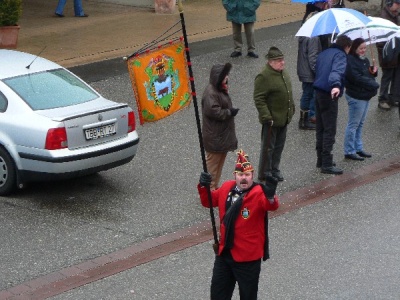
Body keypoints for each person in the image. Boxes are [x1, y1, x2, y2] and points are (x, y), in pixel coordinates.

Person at [197, 149, 279, 300]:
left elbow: (271, 205)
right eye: (240, 175)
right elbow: (208, 201)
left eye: (247, 175)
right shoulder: (226, 187)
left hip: (247, 258)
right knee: (218, 295)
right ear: (235, 175)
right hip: (225, 253)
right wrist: (203, 186)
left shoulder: (258, 192)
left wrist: (270, 195)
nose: (244, 178)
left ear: (252, 176)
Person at [254, 46, 295, 182]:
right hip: (271, 120)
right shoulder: (263, 76)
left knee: (279, 146)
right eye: (278, 60)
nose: (282, 62)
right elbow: (259, 98)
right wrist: (267, 116)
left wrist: (291, 109)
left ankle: (274, 169)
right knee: (268, 148)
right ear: (270, 62)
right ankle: (265, 172)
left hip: (284, 118)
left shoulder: (283, 72)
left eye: (282, 59)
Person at [313, 35, 352, 175]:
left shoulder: (324, 53)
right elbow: (337, 71)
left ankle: (320, 159)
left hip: (318, 92)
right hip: (330, 94)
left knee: (320, 128)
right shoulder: (341, 55)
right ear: (347, 47)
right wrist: (336, 85)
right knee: (330, 129)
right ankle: (327, 163)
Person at [201, 63, 238, 190]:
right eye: (224, 76)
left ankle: (213, 187)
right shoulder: (211, 93)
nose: (227, 78)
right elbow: (214, 112)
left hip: (220, 137)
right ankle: (208, 191)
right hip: (215, 138)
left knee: (218, 164)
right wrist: (229, 112)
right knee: (212, 166)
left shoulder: (218, 89)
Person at [344, 38, 379, 161]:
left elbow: (366, 74)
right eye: (361, 48)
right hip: (356, 95)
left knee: (360, 123)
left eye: (365, 48)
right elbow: (356, 78)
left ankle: (358, 148)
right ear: (355, 48)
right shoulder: (350, 61)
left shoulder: (364, 60)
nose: (363, 50)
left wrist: (373, 72)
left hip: (364, 95)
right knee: (353, 124)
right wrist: (373, 84)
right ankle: (349, 150)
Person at [375, 0, 400, 110]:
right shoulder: (384, 17)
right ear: (391, 4)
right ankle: (383, 99)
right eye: (397, 3)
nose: (399, 6)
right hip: (388, 53)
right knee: (387, 77)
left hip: (397, 52)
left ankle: (393, 97)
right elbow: (380, 39)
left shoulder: (396, 15)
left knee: (396, 76)